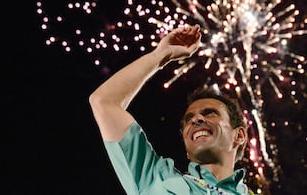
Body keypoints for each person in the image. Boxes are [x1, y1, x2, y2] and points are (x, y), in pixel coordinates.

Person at [89, 24, 253, 194]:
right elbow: (105, 101)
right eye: (188, 119)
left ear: (239, 135)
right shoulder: (155, 179)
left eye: (210, 113)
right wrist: (160, 55)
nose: (196, 120)